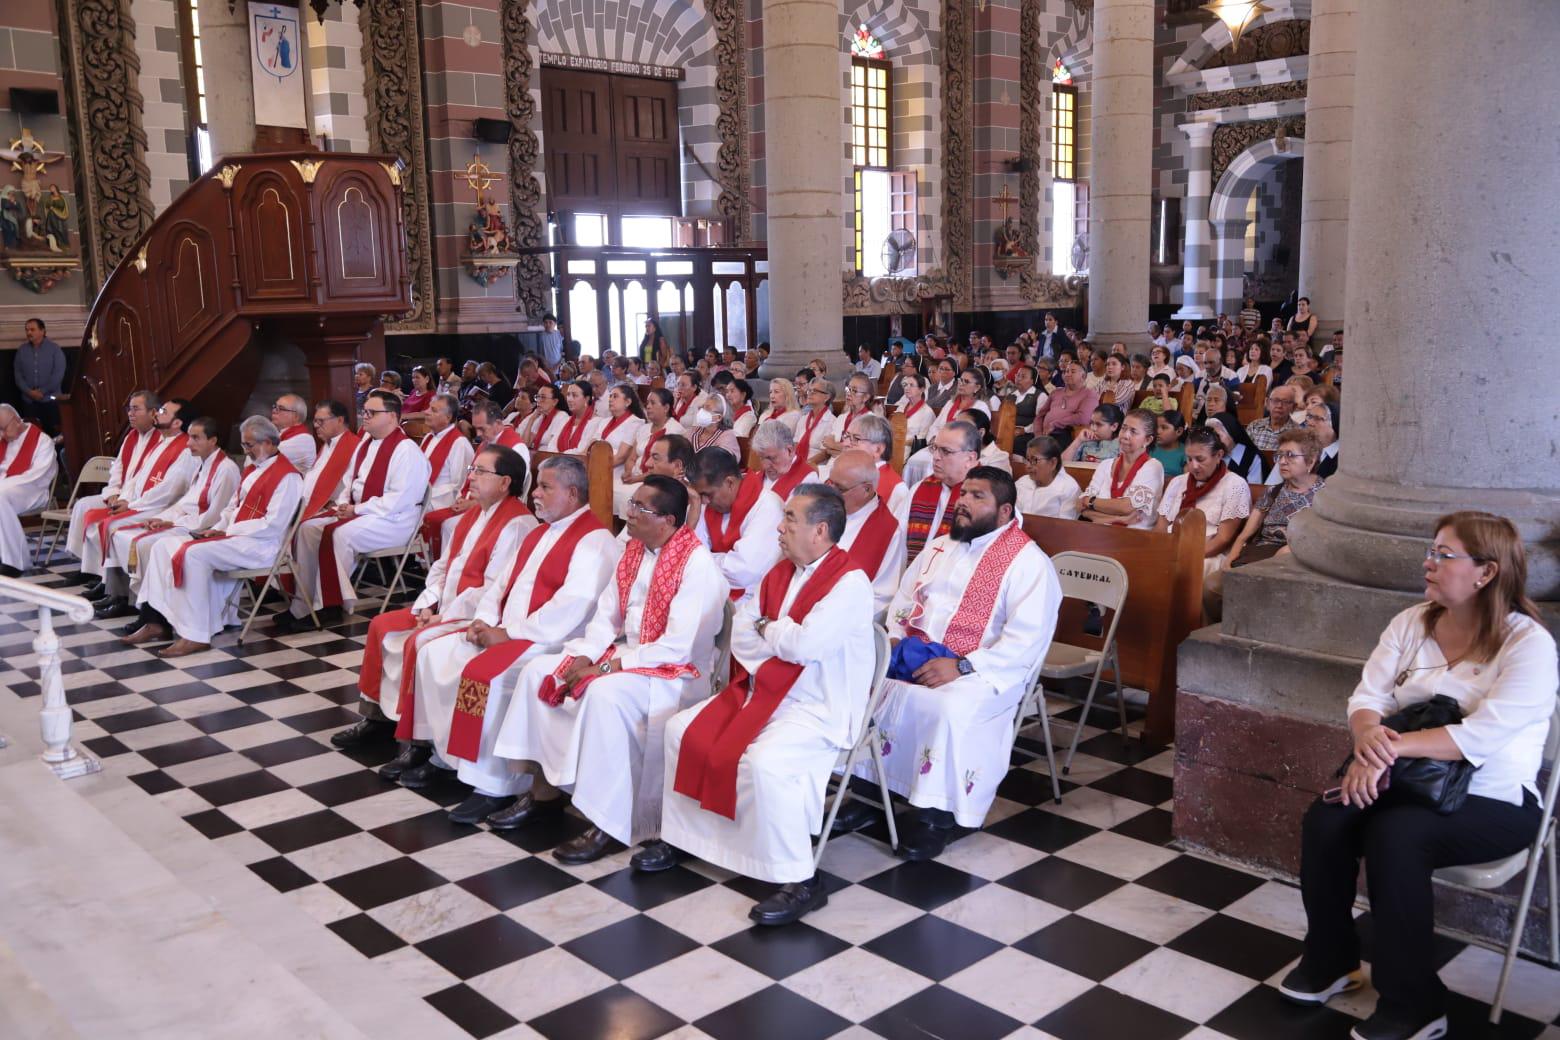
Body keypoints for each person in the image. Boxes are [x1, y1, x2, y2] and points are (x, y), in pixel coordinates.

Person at [1283, 512, 1555, 1040]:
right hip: (1406, 780)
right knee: (1327, 818)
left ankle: (1415, 1004)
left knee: (1397, 835)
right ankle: (1331, 959)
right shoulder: (1411, 623)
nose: (1428, 563)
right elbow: (1368, 697)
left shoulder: (1529, 644)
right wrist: (1367, 739)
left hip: (1495, 799)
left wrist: (1381, 752)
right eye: (1430, 551)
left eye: (1443, 555)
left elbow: (1480, 737)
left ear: (1486, 572)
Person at [658, 484, 875, 924]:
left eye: (790, 518)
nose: (780, 527)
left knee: (767, 762)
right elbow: (743, 630)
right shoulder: (780, 571)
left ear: (820, 530)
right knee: (681, 730)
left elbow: (806, 646)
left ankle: (800, 879)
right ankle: (688, 839)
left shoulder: (850, 583)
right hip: (764, 691)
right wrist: (775, 635)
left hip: (818, 706)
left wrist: (770, 630)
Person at [493, 475, 728, 865]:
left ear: (668, 521)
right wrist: (586, 655)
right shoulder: (634, 551)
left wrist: (607, 667)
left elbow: (677, 646)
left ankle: (608, 822)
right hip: (628, 655)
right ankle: (543, 794)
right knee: (539, 672)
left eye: (639, 508)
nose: (628, 513)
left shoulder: (696, 564)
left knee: (603, 695)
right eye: (631, 504)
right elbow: (607, 616)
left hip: (674, 673)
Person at [843, 466, 1060, 861]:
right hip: (918, 655)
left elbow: (1026, 640)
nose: (963, 502)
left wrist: (960, 666)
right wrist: (897, 638)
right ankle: (868, 792)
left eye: (978, 496)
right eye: (964, 493)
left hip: (981, 671)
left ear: (1004, 511)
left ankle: (936, 816)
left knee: (946, 708)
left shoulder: (1029, 564)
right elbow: (905, 599)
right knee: (861, 684)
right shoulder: (941, 547)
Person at [340, 444, 536, 766]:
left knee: (420, 643)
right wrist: (428, 604)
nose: (471, 477)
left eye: (481, 471)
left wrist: (446, 615)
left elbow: (495, 589)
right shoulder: (474, 514)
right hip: (445, 607)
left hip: (476, 616)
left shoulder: (517, 524)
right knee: (380, 625)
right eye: (472, 469)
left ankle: (419, 743)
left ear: (505, 482)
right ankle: (376, 719)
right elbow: (444, 565)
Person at [123, 417, 303, 656]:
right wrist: (218, 527)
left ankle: (196, 635)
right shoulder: (253, 469)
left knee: (194, 554)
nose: (245, 450)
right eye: (244, 444)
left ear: (268, 443)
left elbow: (274, 525)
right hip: (237, 538)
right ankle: (156, 621)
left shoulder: (288, 476)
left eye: (249, 445)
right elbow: (232, 508)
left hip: (261, 546)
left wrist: (229, 530)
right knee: (162, 546)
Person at [282, 390, 431, 631]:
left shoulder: (407, 451)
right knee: (308, 528)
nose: (365, 416)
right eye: (365, 412)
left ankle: (331, 606)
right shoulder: (365, 444)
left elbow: (399, 500)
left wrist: (357, 509)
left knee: (339, 534)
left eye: (372, 412)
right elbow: (349, 482)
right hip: (364, 512)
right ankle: (304, 604)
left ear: (392, 416)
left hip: (395, 521)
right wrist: (344, 505)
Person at [96, 417, 240, 619]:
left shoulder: (226, 470)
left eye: (196, 438)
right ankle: (129, 600)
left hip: (200, 529)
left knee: (146, 544)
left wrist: (173, 522)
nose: (189, 443)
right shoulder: (202, 464)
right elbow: (186, 503)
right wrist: (162, 518)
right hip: (185, 522)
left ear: (213, 440)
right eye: (189, 437)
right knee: (124, 535)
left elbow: (214, 516)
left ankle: (151, 611)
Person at [75, 398, 197, 594]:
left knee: (112, 527)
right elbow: (139, 478)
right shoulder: (162, 442)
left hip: (159, 508)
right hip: (143, 503)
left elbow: (169, 490)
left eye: (164, 412)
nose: (158, 413)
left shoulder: (184, 449)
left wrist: (133, 505)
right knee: (102, 521)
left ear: (177, 423)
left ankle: (120, 593)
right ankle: (107, 584)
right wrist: (126, 499)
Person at [689, 447, 784, 605]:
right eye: (700, 495)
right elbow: (690, 556)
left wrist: (702, 559)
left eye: (708, 494)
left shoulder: (768, 506)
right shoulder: (706, 503)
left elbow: (743, 573)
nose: (704, 501)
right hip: (707, 588)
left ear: (730, 483)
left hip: (751, 599)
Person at [1154, 427, 1251, 576]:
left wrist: (1183, 555)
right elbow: (1161, 528)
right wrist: (1160, 551)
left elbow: (1223, 539)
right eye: (1189, 459)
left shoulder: (1235, 485)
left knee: (1180, 570)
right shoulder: (1178, 482)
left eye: (1200, 459)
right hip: (1171, 548)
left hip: (1207, 554)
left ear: (1219, 455)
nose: (1194, 466)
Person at [826, 450, 908, 618]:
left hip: (844, 619)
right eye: (830, 483)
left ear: (866, 489)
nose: (831, 492)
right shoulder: (821, 507)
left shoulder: (888, 533)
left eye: (839, 488)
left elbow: (882, 599)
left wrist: (832, 620)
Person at [900, 421, 981, 563]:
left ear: (970, 458)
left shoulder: (988, 499)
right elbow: (898, 542)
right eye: (935, 448)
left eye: (946, 451)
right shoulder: (919, 489)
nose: (936, 456)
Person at [0, 402, 59, 577]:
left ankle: (15, 562)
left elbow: (38, 476)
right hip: (7, 488)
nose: (2, 434)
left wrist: (5, 482)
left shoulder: (42, 441)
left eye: (3, 429)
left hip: (33, 491)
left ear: (16, 420)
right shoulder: (3, 439)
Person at [1079, 409, 1163, 528]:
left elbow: (1127, 507)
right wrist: (1118, 519)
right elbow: (1081, 507)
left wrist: (1090, 501)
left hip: (1135, 536)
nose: (1125, 435)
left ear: (1148, 440)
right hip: (1100, 532)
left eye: (1133, 431)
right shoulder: (1105, 465)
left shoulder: (1153, 467)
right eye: (1123, 428)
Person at [837, 413, 909, 515]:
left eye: (856, 439)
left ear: (878, 449)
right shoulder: (843, 473)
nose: (845, 444)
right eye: (846, 436)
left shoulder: (896, 489)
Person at [418, 394, 475, 510]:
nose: (426, 412)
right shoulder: (429, 436)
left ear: (448, 418)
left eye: (433, 410)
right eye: (428, 408)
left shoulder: (460, 444)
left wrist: (424, 494)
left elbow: (459, 485)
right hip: (420, 496)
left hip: (439, 502)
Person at [12, 318, 65, 434]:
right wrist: (30, 392)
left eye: (32, 329)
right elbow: (18, 375)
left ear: (42, 331)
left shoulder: (55, 349)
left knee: (53, 434)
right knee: (31, 434)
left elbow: (58, 374)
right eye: (27, 330)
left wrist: (42, 391)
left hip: (50, 401)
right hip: (29, 402)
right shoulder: (22, 350)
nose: (29, 333)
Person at [1029, 361, 1099, 447]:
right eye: (1066, 371)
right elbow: (1040, 415)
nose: (1068, 374)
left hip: (1066, 434)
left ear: (1083, 376)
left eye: (1073, 372)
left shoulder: (1089, 394)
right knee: (1022, 443)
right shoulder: (1056, 392)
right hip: (1044, 434)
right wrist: (1038, 434)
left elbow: (1083, 418)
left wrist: (1055, 424)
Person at [1015, 435, 1081, 520]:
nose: (1028, 466)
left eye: (1034, 460)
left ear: (1053, 462)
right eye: (1027, 460)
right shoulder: (1021, 483)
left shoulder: (1069, 488)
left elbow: (1066, 525)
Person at [751, 420, 815, 502]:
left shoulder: (807, 481)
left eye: (771, 458)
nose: (765, 466)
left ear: (790, 451)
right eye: (761, 458)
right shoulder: (757, 477)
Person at [820, 374, 877, 464]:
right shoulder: (841, 418)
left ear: (866, 397)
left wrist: (835, 445)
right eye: (848, 389)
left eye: (854, 390)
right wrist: (837, 448)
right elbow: (827, 446)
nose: (848, 393)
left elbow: (861, 453)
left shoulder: (871, 421)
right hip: (832, 464)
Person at [546, 380, 604, 454]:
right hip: (557, 459)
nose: (569, 399)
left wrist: (561, 456)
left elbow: (581, 450)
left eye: (574, 395)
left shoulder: (596, 422)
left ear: (586, 399)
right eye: (568, 395)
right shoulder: (565, 420)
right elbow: (551, 446)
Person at [270, 394, 317, 473]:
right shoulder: (280, 434)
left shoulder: (304, 440)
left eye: (280, 408)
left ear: (296, 416)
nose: (274, 411)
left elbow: (263, 457)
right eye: (275, 407)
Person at [1246, 384, 1300, 452]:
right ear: (1267, 403)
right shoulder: (1254, 426)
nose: (1279, 406)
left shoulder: (1298, 433)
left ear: (1294, 407)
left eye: (1285, 402)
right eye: (1275, 400)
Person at [896, 371, 937, 447]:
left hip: (910, 448)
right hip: (895, 443)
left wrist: (903, 443)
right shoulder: (901, 407)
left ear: (921, 389)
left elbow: (922, 439)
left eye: (911, 385)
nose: (907, 388)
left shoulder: (927, 412)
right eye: (905, 385)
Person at [522, 382, 564, 451]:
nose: (538, 401)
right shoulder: (540, 417)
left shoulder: (561, 417)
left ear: (555, 402)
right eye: (537, 397)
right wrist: (531, 419)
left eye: (543, 397)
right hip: (536, 454)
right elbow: (525, 444)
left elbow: (554, 448)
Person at [1151, 408, 1188, 478]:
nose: (1158, 431)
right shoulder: (1149, 447)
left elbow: (1186, 480)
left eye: (1164, 427)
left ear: (1179, 431)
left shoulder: (1186, 453)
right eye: (1156, 427)